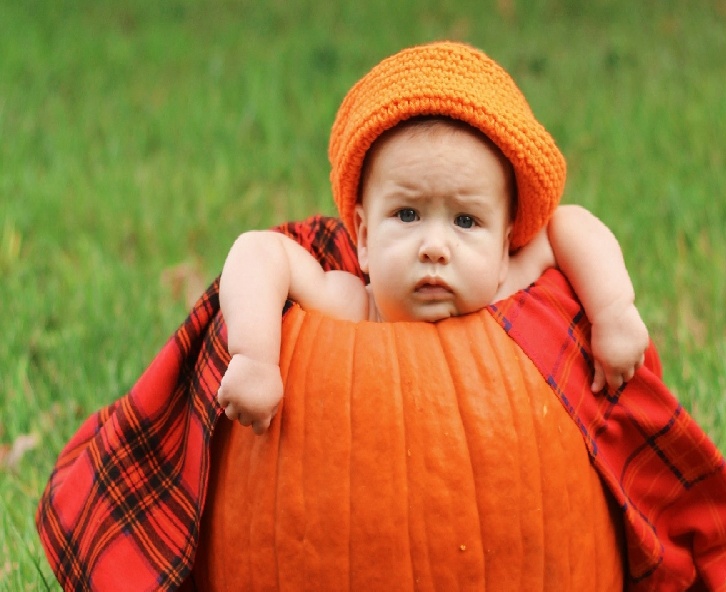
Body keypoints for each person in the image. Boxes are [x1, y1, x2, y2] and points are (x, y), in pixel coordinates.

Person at [216, 41, 649, 434]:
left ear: (504, 246)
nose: (435, 247)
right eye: (407, 214)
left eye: (465, 221)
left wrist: (613, 310)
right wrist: (254, 358)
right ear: (364, 239)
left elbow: (568, 223)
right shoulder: (356, 308)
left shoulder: (507, 284)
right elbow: (259, 251)